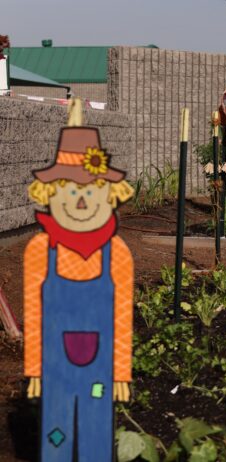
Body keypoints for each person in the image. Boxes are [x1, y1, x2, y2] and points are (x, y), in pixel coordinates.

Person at [24, 126, 134, 461]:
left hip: (100, 369)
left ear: (110, 196)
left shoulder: (117, 253)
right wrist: (34, 369)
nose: (82, 202)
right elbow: (32, 311)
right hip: (55, 365)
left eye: (92, 192)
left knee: (96, 428)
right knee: (54, 431)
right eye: (70, 193)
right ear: (50, 195)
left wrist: (120, 373)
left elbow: (122, 315)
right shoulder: (40, 250)